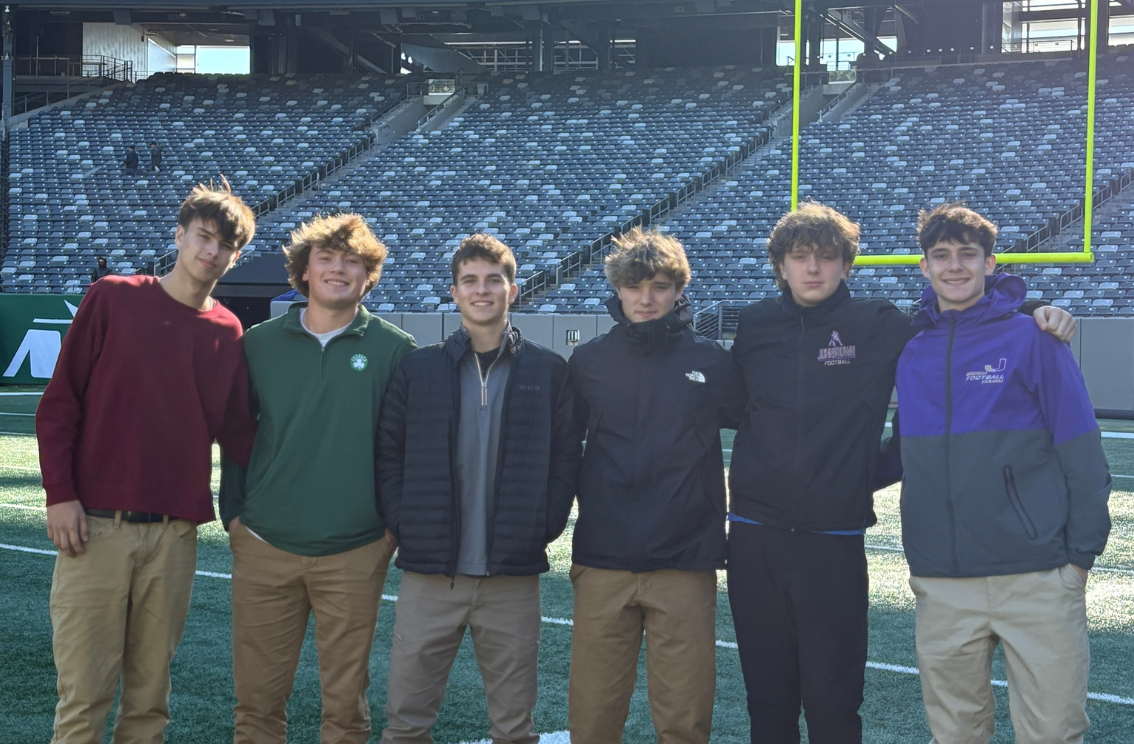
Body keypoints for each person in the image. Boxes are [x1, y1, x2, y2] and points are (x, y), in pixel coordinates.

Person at [727, 202, 1077, 744]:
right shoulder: (752, 325)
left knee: (833, 701)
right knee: (766, 702)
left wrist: (1035, 308)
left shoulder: (878, 323)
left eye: (827, 257)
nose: (813, 269)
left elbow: (959, 317)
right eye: (800, 258)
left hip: (833, 538)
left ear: (847, 266)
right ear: (780, 266)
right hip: (754, 536)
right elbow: (730, 408)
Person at [35, 180, 258, 744]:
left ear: (235, 257)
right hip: (95, 527)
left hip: (175, 536)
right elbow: (60, 404)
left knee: (150, 704)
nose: (211, 252)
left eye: (225, 246)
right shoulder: (112, 296)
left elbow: (240, 434)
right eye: (203, 237)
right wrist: (60, 494)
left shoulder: (228, 331)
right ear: (180, 235)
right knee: (83, 699)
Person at [891, 203, 1111, 744]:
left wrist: (1078, 560)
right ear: (924, 267)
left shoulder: (1033, 339)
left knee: (1052, 733)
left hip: (1035, 576)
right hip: (941, 581)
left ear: (991, 263)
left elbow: (1083, 455)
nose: (955, 266)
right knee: (956, 735)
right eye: (941, 255)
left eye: (968, 254)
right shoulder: (912, 350)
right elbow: (903, 451)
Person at [375, 233, 580, 744]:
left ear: (513, 290)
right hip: (430, 575)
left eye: (494, 280)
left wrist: (543, 525)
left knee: (514, 728)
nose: (482, 290)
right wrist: (407, 525)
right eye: (470, 281)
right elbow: (388, 454)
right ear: (454, 292)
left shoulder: (548, 370)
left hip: (511, 577)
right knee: (405, 723)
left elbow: (565, 459)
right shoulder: (417, 368)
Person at [219, 213, 415, 744]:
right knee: (257, 704)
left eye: (352, 262)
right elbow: (237, 435)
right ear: (303, 271)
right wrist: (233, 516)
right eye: (325, 259)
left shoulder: (396, 349)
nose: (338, 269)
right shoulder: (258, 344)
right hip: (263, 543)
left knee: (346, 709)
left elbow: (409, 450)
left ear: (368, 276)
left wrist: (389, 532)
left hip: (355, 549)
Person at [567, 227, 737, 744]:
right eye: (635, 286)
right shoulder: (589, 361)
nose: (646, 298)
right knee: (594, 716)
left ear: (679, 290)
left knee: (684, 718)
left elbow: (763, 438)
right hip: (603, 556)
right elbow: (561, 452)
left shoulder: (714, 362)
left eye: (660, 286)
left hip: (684, 559)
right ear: (617, 289)